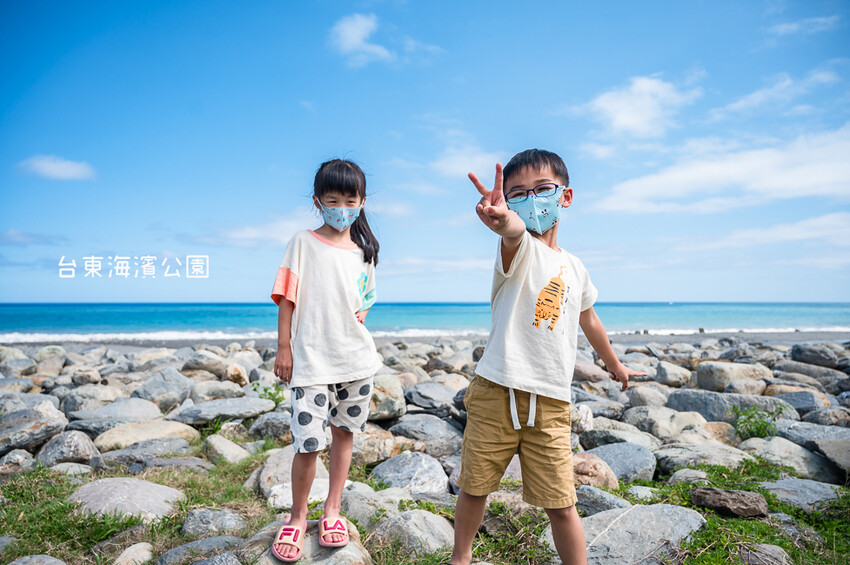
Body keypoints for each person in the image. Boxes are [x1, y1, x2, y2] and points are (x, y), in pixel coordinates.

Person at [449, 149, 645, 565]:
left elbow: (589, 320)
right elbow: (514, 229)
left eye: (542, 190)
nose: (530, 200)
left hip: (552, 403)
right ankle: (460, 558)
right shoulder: (518, 250)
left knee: (562, 502)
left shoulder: (575, 267)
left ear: (566, 196)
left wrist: (614, 364)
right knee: (475, 486)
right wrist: (503, 219)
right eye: (518, 193)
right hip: (495, 393)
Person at [268, 158, 382, 562]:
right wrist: (285, 347)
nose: (341, 207)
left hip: (355, 361)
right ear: (317, 201)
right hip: (311, 363)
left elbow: (363, 304)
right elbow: (287, 297)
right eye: (332, 200)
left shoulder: (365, 251)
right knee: (308, 444)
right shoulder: (302, 242)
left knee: (344, 436)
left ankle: (332, 510)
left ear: (362, 202)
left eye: (350, 200)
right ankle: (298, 518)